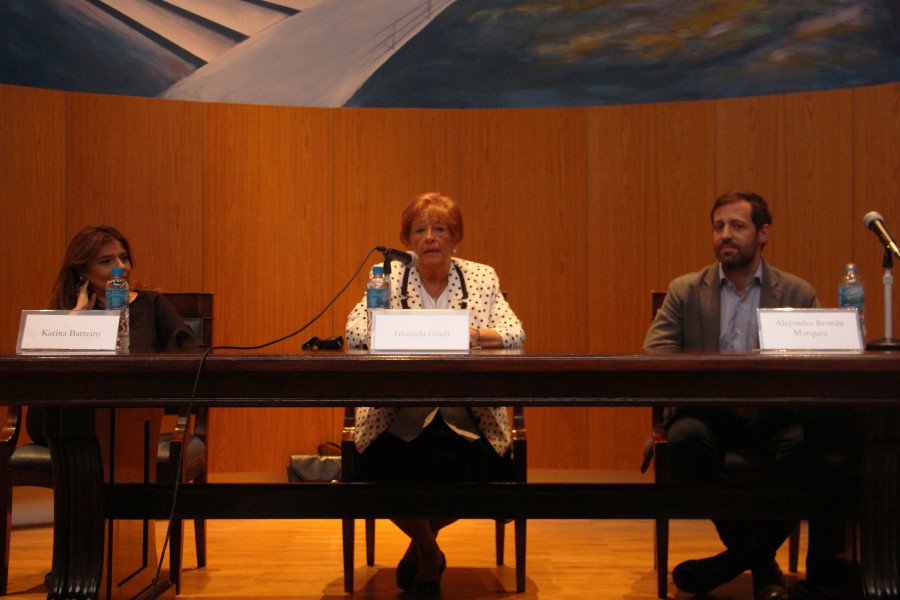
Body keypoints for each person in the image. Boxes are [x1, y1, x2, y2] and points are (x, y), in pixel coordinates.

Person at [345, 192, 525, 598]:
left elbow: (515, 335)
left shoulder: (482, 278)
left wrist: (472, 335)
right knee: (374, 467)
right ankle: (429, 552)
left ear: (455, 237)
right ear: (408, 240)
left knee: (484, 469)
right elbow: (356, 334)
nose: (430, 237)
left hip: (468, 416)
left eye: (440, 229)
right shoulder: (385, 275)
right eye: (420, 230)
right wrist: (400, 333)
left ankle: (420, 548)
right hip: (398, 416)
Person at [643, 191, 818, 600]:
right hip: (708, 414)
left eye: (737, 227)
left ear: (763, 233)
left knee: (809, 445)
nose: (726, 235)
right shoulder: (686, 290)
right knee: (684, 441)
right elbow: (656, 352)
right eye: (719, 227)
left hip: (774, 415)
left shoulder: (797, 293)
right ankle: (761, 562)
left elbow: (817, 362)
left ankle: (730, 562)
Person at [28, 225, 199, 444]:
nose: (121, 267)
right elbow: (46, 376)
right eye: (106, 261)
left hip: (132, 416)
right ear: (83, 270)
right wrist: (76, 316)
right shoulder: (70, 310)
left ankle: (89, 473)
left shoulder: (152, 305)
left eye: (124, 258)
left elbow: (190, 354)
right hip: (68, 421)